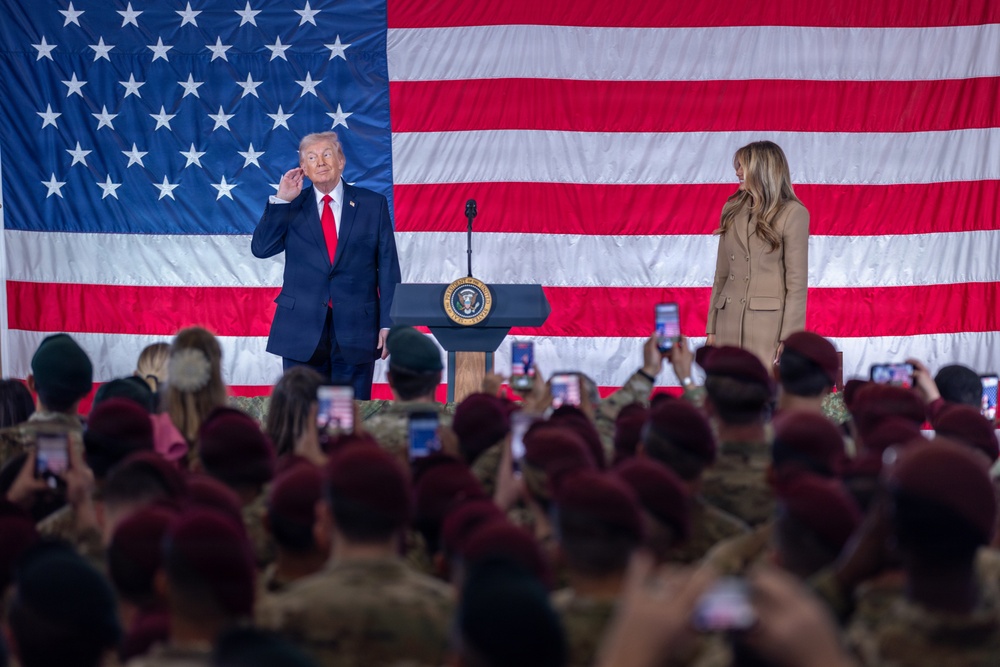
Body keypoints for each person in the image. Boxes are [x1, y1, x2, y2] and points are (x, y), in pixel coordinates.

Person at [251, 131, 402, 400]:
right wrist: (281, 200)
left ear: (341, 161)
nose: (320, 162)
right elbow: (262, 249)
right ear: (304, 169)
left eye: (327, 154)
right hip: (301, 330)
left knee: (348, 419)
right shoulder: (291, 205)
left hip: (356, 330)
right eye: (311, 157)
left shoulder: (372, 205)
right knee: (302, 418)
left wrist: (388, 323)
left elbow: (389, 268)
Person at [705, 140, 810, 369]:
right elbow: (721, 275)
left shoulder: (793, 213)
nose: (738, 172)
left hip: (767, 327)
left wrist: (790, 337)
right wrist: (712, 328)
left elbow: (796, 284)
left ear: (762, 169)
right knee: (727, 393)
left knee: (763, 394)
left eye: (743, 166)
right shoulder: (731, 210)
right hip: (727, 323)